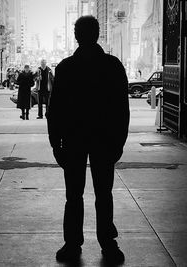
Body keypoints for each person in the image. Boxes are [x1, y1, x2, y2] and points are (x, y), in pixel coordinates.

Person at [47, 16, 130, 264]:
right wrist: (119, 142)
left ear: (76, 35)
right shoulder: (112, 66)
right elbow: (121, 108)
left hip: (73, 139)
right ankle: (107, 243)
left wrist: (55, 143)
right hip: (104, 139)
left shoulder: (65, 68)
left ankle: (72, 244)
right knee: (104, 193)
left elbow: (55, 110)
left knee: (74, 195)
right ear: (97, 34)